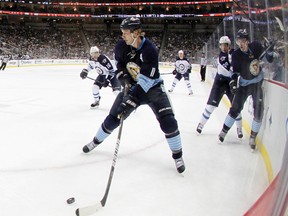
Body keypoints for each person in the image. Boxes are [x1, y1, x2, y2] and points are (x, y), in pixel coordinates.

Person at [82, 17, 185, 173]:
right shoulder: (121, 46)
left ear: (136, 33)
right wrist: (124, 78)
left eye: (125, 33)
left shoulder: (149, 50)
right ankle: (95, 141)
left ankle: (178, 156)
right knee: (113, 118)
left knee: (168, 122)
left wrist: (130, 99)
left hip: (153, 88)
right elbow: (118, 66)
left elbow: (145, 81)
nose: (122, 36)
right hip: (133, 86)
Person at [218, 29, 274, 151]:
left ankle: (253, 137)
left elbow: (269, 59)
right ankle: (224, 131)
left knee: (259, 111)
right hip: (243, 86)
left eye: (243, 41)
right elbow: (234, 72)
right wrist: (233, 83)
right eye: (239, 41)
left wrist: (270, 50)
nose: (241, 44)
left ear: (248, 41)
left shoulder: (256, 47)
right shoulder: (236, 55)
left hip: (257, 85)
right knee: (235, 109)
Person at [196, 36, 243, 138]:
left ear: (228, 45)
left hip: (231, 82)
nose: (223, 47)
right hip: (219, 83)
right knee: (211, 105)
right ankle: (201, 124)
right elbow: (228, 66)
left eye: (225, 45)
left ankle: (239, 128)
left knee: (236, 107)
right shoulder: (221, 56)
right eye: (222, 45)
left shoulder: (233, 53)